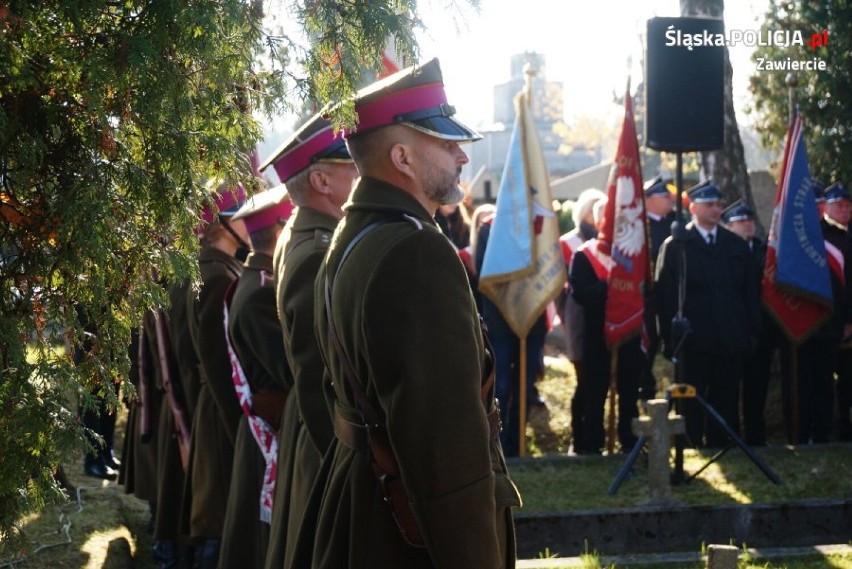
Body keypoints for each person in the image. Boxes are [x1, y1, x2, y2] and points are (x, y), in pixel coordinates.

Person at [305, 58, 520, 568]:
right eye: (446, 144)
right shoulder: (415, 252)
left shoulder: (350, 237)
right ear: (401, 157)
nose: (462, 157)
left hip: (368, 506)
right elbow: (447, 449)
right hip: (411, 535)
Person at [261, 112, 358, 569]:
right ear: (320, 179)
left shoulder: (305, 234)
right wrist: (341, 466)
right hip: (321, 435)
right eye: (349, 165)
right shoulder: (317, 252)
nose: (360, 171)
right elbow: (318, 375)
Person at [218, 184, 295, 569]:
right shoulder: (263, 292)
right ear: (281, 230)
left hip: (266, 431)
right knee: (265, 547)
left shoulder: (256, 282)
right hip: (272, 432)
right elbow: (289, 371)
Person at [655, 181, 760, 448]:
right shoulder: (677, 245)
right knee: (691, 395)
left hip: (729, 334)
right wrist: (669, 338)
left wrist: (751, 330)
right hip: (693, 338)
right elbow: (665, 296)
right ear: (693, 208)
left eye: (719, 205)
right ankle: (690, 444)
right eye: (709, 205)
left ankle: (719, 444)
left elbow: (749, 293)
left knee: (725, 394)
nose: (716, 209)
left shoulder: (734, 245)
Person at [183, 181, 248, 569]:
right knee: (220, 518)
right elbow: (216, 358)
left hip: (214, 404)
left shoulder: (217, 268)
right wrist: (237, 427)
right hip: (221, 408)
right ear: (224, 223)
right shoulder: (217, 275)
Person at [568, 198, 641, 454]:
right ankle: (592, 443)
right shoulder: (585, 255)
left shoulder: (634, 254)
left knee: (629, 391)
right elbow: (581, 293)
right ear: (599, 222)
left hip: (629, 334)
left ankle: (629, 442)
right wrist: (611, 286)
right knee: (593, 392)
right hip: (596, 335)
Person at [721, 199, 774, 446]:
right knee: (728, 390)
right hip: (731, 330)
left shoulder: (765, 252)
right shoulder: (722, 253)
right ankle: (730, 437)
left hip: (761, 332)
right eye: (741, 222)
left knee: (756, 388)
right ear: (728, 227)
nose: (747, 225)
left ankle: (756, 437)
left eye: (749, 221)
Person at [557, 188, 605, 453]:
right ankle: (579, 436)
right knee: (584, 378)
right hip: (578, 315)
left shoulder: (608, 242)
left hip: (603, 318)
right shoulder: (570, 243)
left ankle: (595, 434)